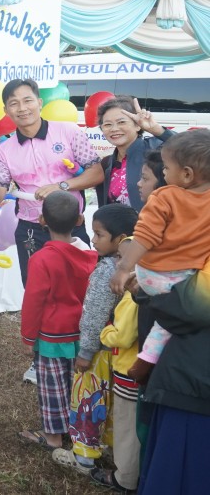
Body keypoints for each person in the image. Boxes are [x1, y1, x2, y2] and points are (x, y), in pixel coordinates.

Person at [0, 78, 102, 385]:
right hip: (31, 229)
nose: (22, 108)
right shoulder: (5, 150)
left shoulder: (69, 132)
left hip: (70, 225)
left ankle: (86, 353)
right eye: (14, 103)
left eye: (27, 100)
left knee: (80, 290)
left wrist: (62, 186)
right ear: (6, 110)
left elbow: (96, 172)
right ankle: (40, 359)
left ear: (39, 102)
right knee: (38, 291)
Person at [110, 130, 210, 384]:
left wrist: (123, 268)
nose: (164, 174)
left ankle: (145, 362)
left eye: (166, 168)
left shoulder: (165, 197)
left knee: (163, 317)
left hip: (154, 275)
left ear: (186, 174)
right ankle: (147, 359)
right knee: (167, 323)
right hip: (188, 278)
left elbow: (145, 236)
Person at [52, 203, 138, 476]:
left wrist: (86, 351)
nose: (93, 239)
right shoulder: (137, 268)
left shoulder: (106, 271)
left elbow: (94, 315)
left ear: (121, 239)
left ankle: (84, 457)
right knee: (112, 404)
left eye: (99, 234)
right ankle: (111, 448)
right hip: (120, 354)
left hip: (98, 353)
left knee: (88, 401)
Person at [17, 192, 96, 451]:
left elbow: (33, 301)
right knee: (79, 384)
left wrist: (28, 337)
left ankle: (53, 437)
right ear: (79, 220)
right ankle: (79, 431)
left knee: (53, 388)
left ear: (42, 220)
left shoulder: (41, 259)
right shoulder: (91, 256)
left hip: (52, 335)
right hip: (82, 333)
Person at [133, 269, 210, 494]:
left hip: (193, 392)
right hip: (190, 385)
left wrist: (145, 288)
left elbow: (189, 307)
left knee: (176, 475)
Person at [94, 289, 141, 491]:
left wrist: (106, 331)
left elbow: (123, 336)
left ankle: (125, 478)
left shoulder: (132, 298)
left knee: (126, 426)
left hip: (128, 371)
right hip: (138, 371)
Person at [97, 96, 173, 208]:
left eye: (121, 122)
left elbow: (193, 148)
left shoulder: (156, 151)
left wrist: (156, 129)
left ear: (137, 125)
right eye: (108, 124)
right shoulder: (106, 163)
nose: (114, 129)